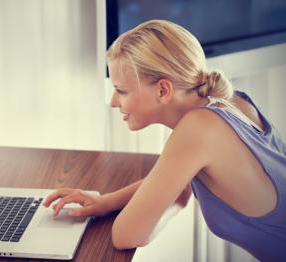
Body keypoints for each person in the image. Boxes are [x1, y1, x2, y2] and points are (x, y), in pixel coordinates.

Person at [43, 20, 286, 261]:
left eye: (121, 90)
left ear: (162, 90)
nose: (113, 102)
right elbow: (172, 182)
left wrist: (176, 201)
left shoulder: (199, 129)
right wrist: (105, 202)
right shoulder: (230, 103)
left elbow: (125, 235)